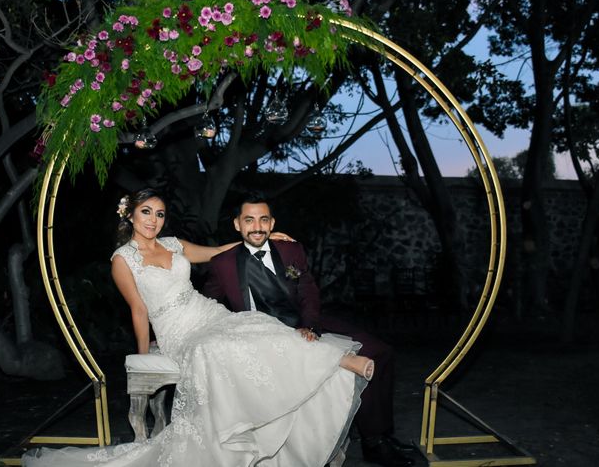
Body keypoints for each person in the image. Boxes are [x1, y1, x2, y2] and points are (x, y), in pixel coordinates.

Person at [23, 188, 373, 467]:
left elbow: (217, 251)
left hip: (206, 313)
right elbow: (140, 310)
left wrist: (263, 237)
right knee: (213, 350)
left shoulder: (174, 245)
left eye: (160, 214)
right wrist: (145, 355)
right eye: (147, 212)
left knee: (255, 324)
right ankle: (250, 428)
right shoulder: (122, 259)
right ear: (130, 215)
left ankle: (337, 361)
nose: (154, 220)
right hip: (179, 331)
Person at [204, 195, 419, 467]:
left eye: (263, 219)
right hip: (263, 335)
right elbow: (209, 305)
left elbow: (307, 291)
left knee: (380, 352)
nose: (257, 226)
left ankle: (376, 439)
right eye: (249, 220)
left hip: (305, 322)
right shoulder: (222, 264)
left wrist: (311, 325)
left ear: (272, 223)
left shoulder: (290, 251)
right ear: (237, 225)